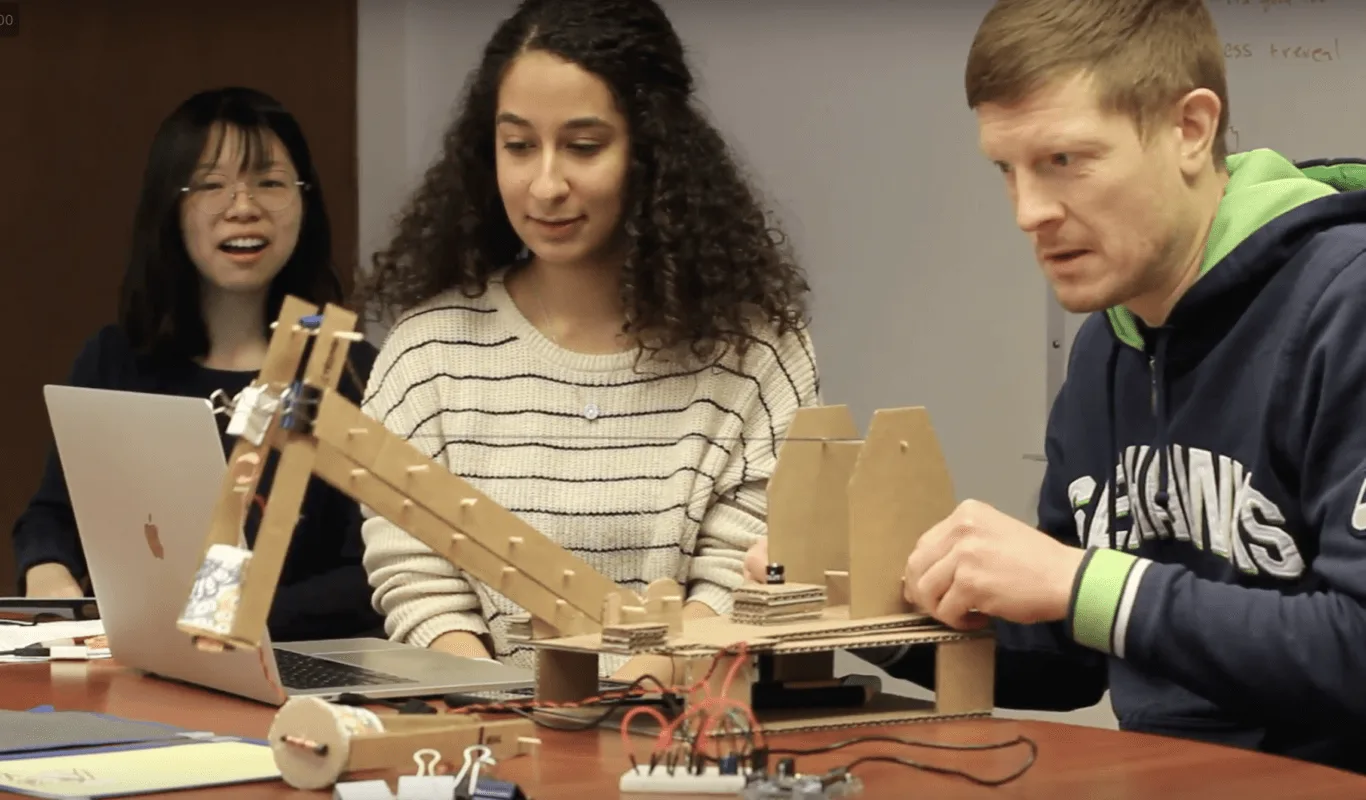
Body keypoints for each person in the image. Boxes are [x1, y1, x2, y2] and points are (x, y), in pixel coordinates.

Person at [749, 0, 1366, 772]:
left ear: (1190, 128)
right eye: (1006, 169)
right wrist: (875, 607)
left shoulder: (1348, 305)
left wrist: (1079, 581)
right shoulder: (1107, 347)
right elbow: (1072, 659)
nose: (1029, 212)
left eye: (1065, 161)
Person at [356, 0, 819, 681]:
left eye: (583, 146)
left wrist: (620, 707)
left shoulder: (756, 354)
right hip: (490, 739)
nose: (545, 184)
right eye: (517, 146)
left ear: (652, 154)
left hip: (677, 744)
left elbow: (732, 588)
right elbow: (417, 578)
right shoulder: (427, 354)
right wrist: (502, 713)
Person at [11, 87, 385, 643]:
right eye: (211, 184)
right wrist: (49, 577)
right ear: (170, 206)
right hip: (138, 662)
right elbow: (50, 517)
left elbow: (371, 573)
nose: (243, 206)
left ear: (304, 202)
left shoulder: (352, 368)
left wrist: (229, 623)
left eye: (270, 182)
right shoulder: (114, 361)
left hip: (297, 670)